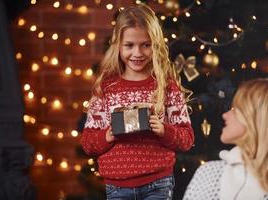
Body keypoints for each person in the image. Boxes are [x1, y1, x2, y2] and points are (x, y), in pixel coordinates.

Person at [80, 4, 194, 200]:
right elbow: (88, 144)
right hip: (117, 186)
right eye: (129, 45)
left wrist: (163, 130)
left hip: (158, 183)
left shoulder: (166, 86)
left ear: (155, 45)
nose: (138, 53)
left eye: (146, 44)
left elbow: (187, 139)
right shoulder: (106, 89)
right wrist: (108, 135)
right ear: (117, 45)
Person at [183, 78, 268, 200]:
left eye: (236, 109)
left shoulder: (212, 174)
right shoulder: (211, 174)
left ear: (257, 118)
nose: (225, 115)